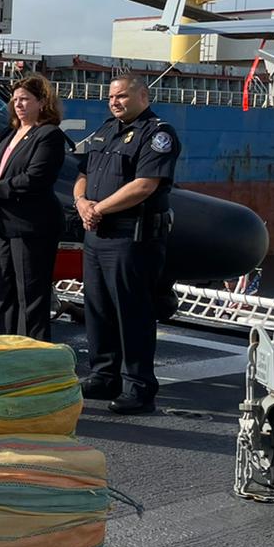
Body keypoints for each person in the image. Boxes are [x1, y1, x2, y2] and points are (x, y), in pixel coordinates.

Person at [74, 73, 181, 415]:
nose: (115, 102)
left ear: (143, 96)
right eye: (111, 98)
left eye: (121, 96)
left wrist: (98, 208)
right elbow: (82, 174)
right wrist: (82, 204)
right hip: (97, 234)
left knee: (132, 314)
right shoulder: (105, 130)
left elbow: (144, 185)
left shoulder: (157, 134)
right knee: (98, 309)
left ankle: (139, 387)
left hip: (130, 237)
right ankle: (104, 375)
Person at [0, 75, 67, 341]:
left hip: (31, 225)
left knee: (31, 294)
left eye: (25, 99)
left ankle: (33, 352)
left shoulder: (49, 135)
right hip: (2, 223)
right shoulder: (9, 133)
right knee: (6, 289)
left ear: (42, 102)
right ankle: (6, 347)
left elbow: (35, 178)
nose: (18, 105)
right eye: (15, 100)